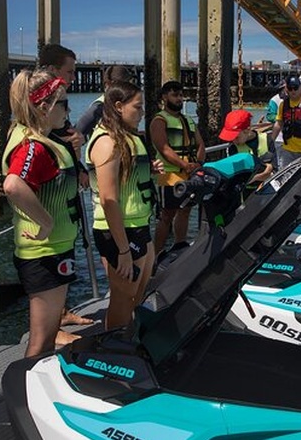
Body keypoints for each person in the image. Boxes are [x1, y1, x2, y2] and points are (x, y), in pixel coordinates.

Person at [1, 70, 80, 358]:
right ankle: (26, 396)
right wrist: (45, 222)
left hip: (53, 250)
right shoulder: (33, 146)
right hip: (45, 253)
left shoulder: (40, 139)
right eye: (63, 103)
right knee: (41, 343)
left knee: (46, 338)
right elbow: (12, 184)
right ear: (44, 107)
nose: (68, 111)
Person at [86, 81, 162, 330]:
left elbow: (125, 179)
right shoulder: (107, 143)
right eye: (137, 108)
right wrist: (122, 251)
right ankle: (111, 351)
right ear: (118, 107)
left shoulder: (128, 138)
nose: (141, 114)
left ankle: (127, 343)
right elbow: (109, 200)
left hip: (138, 226)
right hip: (120, 233)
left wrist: (147, 170)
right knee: (123, 300)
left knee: (137, 296)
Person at [38, 43, 93, 340]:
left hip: (66, 193)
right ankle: (52, 329)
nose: (73, 77)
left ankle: (61, 313)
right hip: (50, 197)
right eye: (70, 71)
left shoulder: (59, 101)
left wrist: (80, 165)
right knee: (48, 262)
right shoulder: (41, 102)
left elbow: (66, 136)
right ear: (52, 69)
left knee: (64, 257)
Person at [150, 80, 206, 254]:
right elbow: (164, 149)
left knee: (186, 210)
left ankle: (180, 245)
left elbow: (200, 144)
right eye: (175, 95)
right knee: (167, 215)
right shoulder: (159, 120)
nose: (179, 98)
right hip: (169, 176)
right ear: (164, 97)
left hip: (189, 174)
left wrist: (198, 164)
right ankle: (156, 254)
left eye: (181, 95)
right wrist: (184, 165)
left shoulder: (188, 120)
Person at [218, 109, 275, 199]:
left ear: (247, 130)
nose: (234, 141)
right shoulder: (233, 148)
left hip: (268, 191)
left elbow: (274, 168)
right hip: (244, 194)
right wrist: (258, 176)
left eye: (236, 137)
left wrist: (266, 172)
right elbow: (236, 177)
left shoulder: (268, 140)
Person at [76, 65, 136, 139]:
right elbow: (77, 132)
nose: (128, 88)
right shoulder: (99, 107)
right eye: (125, 84)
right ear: (109, 85)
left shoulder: (125, 105)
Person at [265, 85, 287, 167]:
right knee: (280, 162)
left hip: (293, 139)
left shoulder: (295, 99)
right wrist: (282, 118)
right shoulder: (274, 100)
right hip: (279, 138)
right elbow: (270, 116)